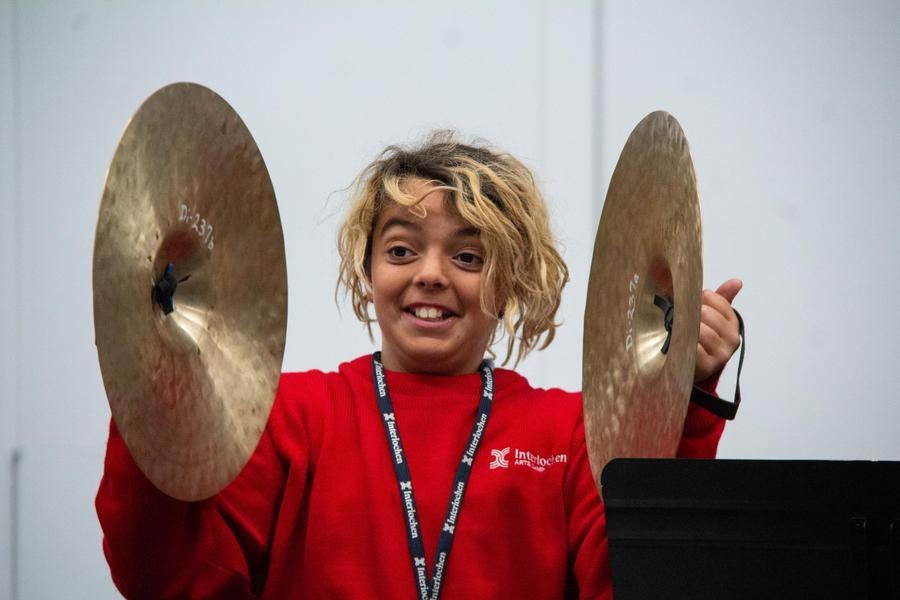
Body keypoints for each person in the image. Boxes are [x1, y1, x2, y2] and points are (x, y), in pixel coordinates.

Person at [96, 132, 743, 599]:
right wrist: (149, 397)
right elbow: (168, 578)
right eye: (402, 249)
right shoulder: (286, 415)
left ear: (510, 282)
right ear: (368, 271)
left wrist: (680, 410)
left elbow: (637, 582)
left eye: (468, 258)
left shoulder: (569, 431)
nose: (430, 275)